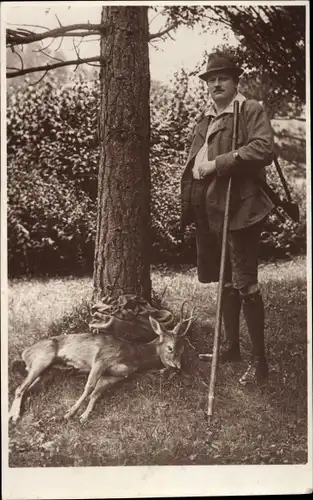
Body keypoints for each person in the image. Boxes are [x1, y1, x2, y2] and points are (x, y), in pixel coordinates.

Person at [180, 52, 275, 385]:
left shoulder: (249, 109)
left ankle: (259, 364)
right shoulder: (206, 119)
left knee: (246, 282)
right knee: (226, 281)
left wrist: (219, 163)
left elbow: (263, 149)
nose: (215, 84)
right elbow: (195, 161)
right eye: (210, 80)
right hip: (212, 209)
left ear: (236, 81)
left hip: (242, 208)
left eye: (222, 78)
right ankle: (231, 348)